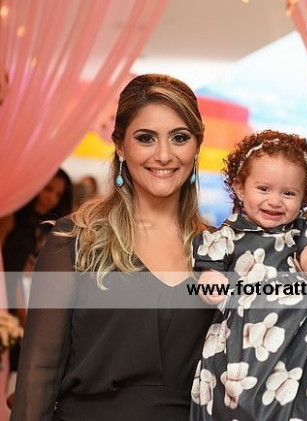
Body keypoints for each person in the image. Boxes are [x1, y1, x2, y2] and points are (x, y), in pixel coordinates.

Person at [10, 74, 215, 421]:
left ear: (196, 145)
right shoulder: (75, 240)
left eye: (179, 137)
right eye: (145, 138)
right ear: (120, 145)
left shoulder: (219, 249)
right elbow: (39, 371)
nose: (164, 155)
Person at [191, 130, 307, 421]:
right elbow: (210, 268)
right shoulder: (229, 235)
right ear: (240, 187)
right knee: (236, 396)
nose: (275, 201)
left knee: (297, 393)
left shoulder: (299, 231)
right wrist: (210, 281)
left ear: (304, 197)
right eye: (263, 189)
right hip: (242, 338)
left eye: (288, 193)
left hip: (295, 333)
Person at [0, 168, 73, 388]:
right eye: (47, 189)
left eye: (58, 194)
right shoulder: (10, 217)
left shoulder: (37, 229)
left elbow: (23, 275)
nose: (51, 198)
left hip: (12, 305)